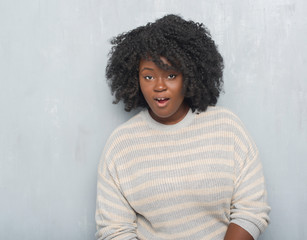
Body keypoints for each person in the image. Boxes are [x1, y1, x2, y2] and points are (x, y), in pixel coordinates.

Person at [95, 14, 270, 240]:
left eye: (170, 75)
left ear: (189, 75)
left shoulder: (227, 127)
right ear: (134, 78)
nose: (159, 86)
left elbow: (251, 209)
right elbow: (114, 231)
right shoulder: (120, 145)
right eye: (148, 76)